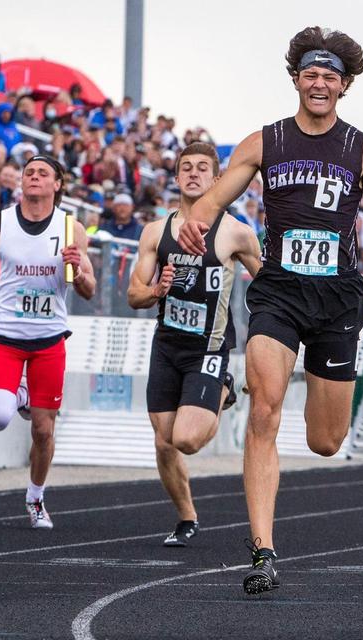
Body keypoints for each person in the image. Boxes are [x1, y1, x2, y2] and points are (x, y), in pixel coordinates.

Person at [174, 26, 363, 594]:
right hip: (279, 292)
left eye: (330, 78)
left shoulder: (362, 148)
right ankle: (263, 549)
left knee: (325, 440)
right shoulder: (264, 141)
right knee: (265, 410)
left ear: (344, 87)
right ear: (296, 80)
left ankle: (292, 399)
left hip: (338, 296)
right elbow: (216, 198)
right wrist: (197, 220)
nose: (319, 84)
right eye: (310, 75)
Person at [127, 142, 262, 547]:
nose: (193, 174)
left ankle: (223, 389)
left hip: (209, 349)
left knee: (187, 438)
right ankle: (187, 517)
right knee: (165, 441)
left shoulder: (236, 231)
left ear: (218, 179)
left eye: (203, 168)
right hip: (167, 346)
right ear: (176, 177)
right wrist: (156, 290)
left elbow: (270, 287)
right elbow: (134, 294)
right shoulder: (156, 231)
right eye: (186, 167)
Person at [0, 155, 95, 528]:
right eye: (29, 173)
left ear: (57, 185)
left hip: (49, 337)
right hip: (5, 334)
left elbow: (88, 289)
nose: (34, 178)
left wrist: (78, 268)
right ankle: (20, 395)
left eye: (42, 173)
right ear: (21, 183)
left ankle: (36, 498)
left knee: (43, 429)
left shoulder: (71, 229)